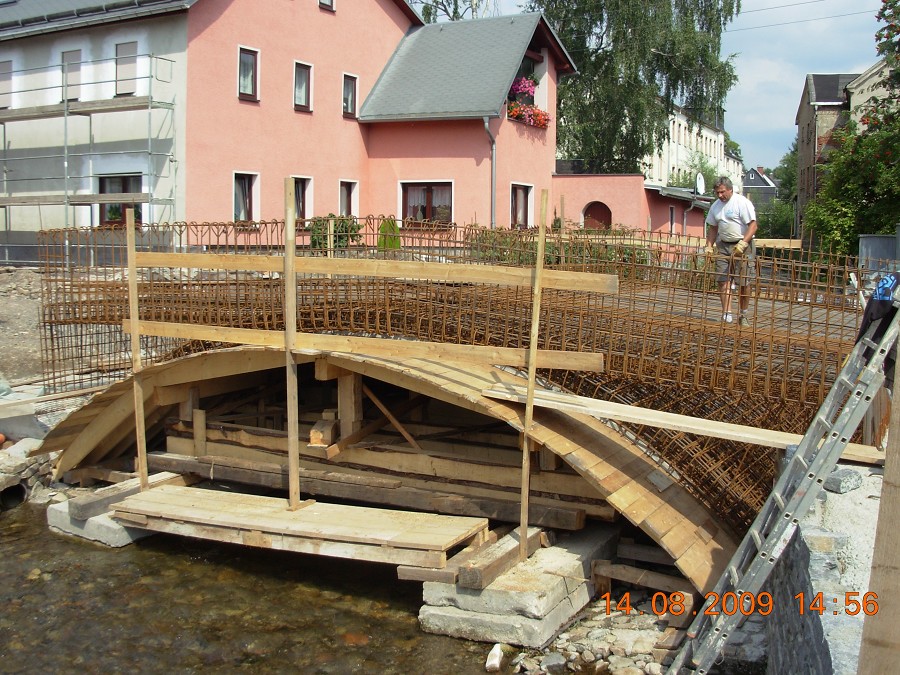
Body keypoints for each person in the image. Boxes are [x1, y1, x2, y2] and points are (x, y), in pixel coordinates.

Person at [704, 176, 758, 326]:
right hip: (723, 245)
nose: (720, 195)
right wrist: (709, 245)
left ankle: (743, 314)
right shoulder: (715, 206)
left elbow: (753, 226)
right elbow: (713, 228)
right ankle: (727, 314)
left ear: (730, 189)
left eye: (722, 192)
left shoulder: (741, 203)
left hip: (742, 245)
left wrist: (743, 243)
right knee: (723, 280)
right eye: (717, 193)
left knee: (744, 282)